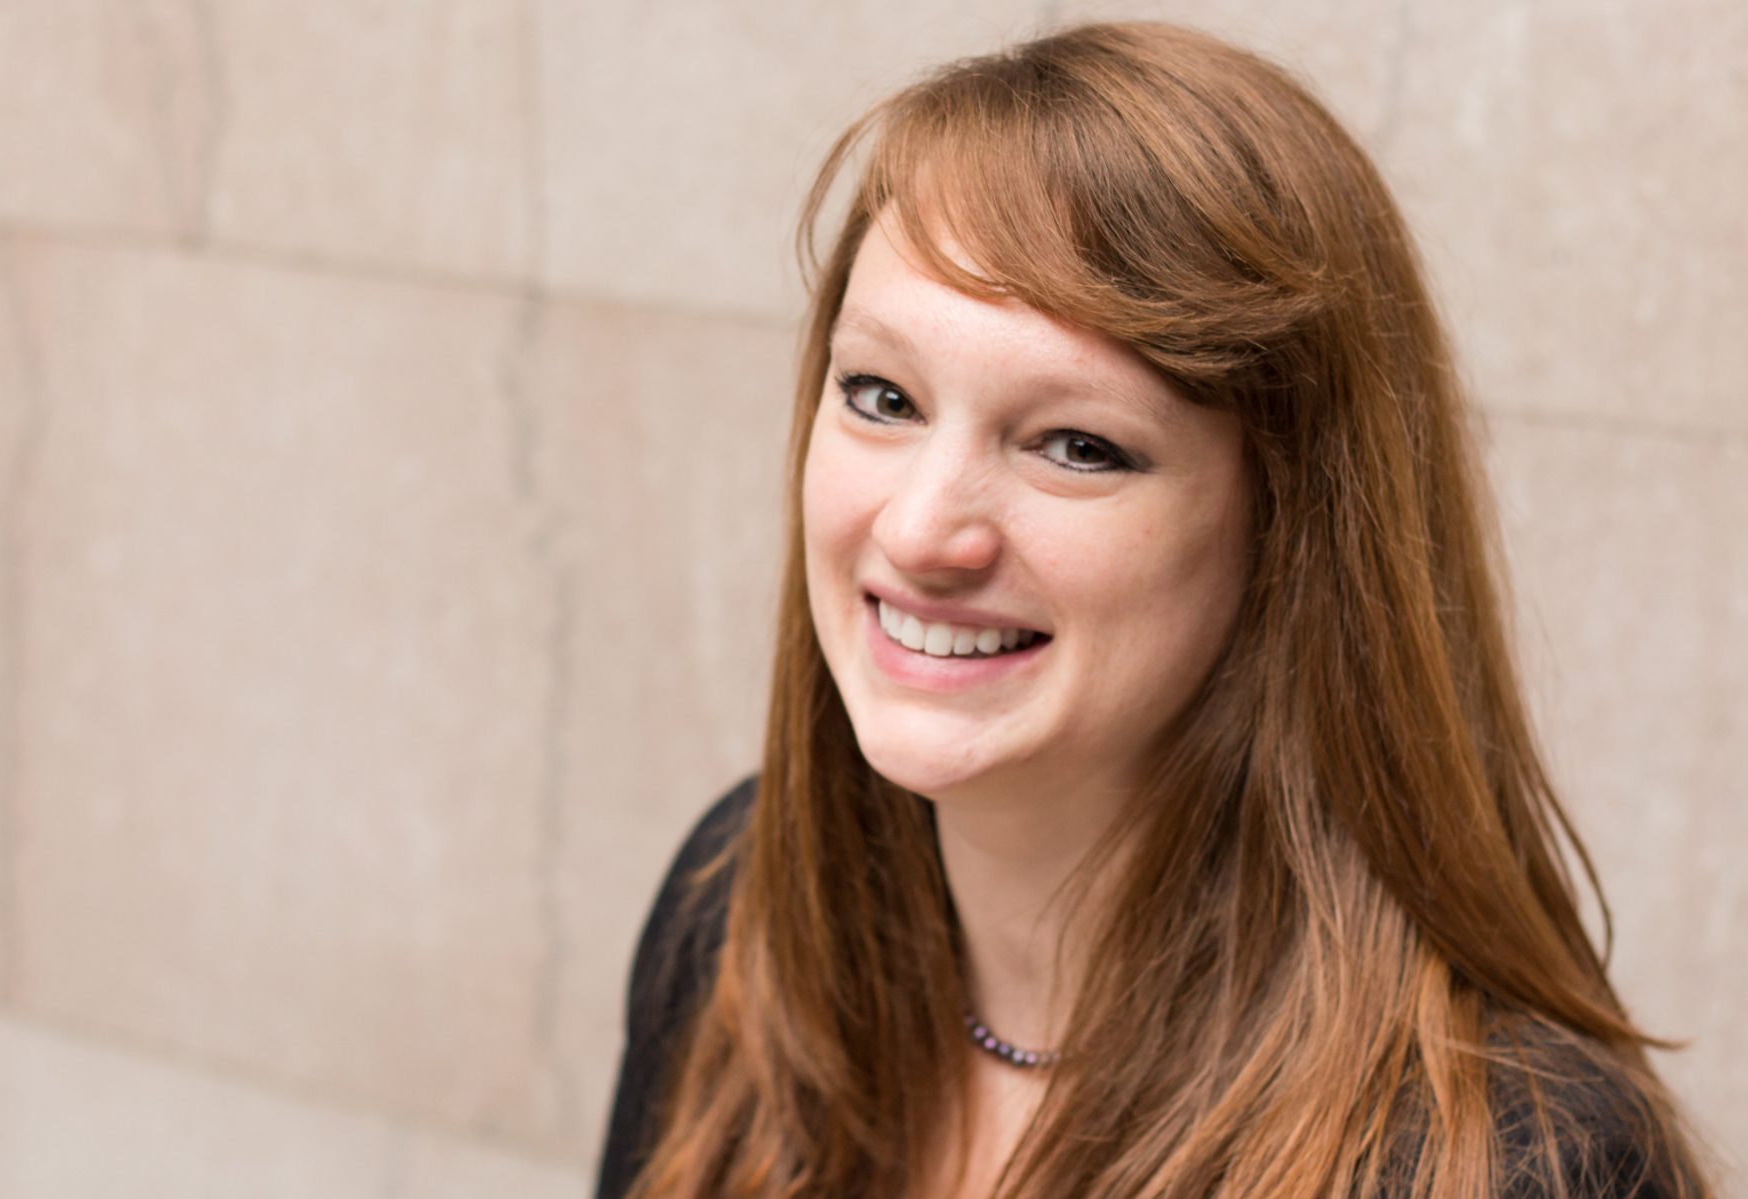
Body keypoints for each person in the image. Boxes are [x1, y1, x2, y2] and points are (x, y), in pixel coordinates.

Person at [594, 20, 1713, 1199]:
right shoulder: (735, 906)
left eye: (1075, 445)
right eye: (881, 395)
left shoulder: (1517, 1165)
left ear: (1288, 537)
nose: (919, 531)